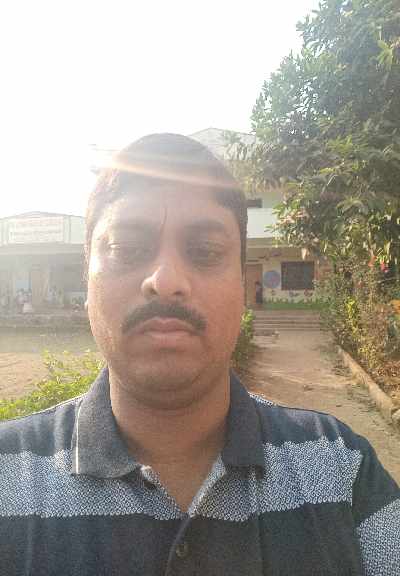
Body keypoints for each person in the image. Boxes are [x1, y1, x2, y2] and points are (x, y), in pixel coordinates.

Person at [0, 134, 399, 575]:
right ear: (87, 281)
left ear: (242, 286)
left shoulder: (341, 470)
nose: (165, 280)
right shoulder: (6, 474)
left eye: (205, 252)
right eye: (127, 250)